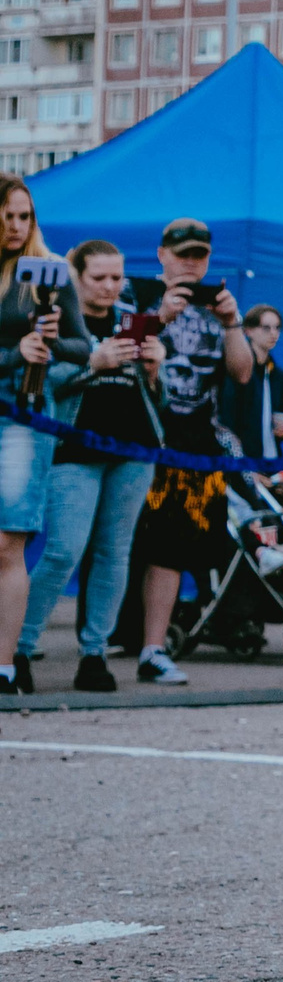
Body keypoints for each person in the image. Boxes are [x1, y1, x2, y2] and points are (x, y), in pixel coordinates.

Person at [18, 242, 160, 693]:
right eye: (99, 277)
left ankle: (94, 653)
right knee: (62, 551)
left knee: (114, 553)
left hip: (133, 446)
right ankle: (17, 648)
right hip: (73, 446)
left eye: (117, 277)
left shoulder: (131, 319)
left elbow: (161, 398)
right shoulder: (59, 320)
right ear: (76, 275)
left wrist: (155, 368)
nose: (109, 286)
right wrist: (92, 364)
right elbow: (40, 385)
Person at [126, 217, 254, 686]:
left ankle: (153, 648)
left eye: (199, 255)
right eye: (182, 254)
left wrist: (232, 323)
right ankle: (80, 645)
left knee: (171, 550)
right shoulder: (137, 292)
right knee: (106, 544)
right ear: (161, 254)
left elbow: (243, 373)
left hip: (193, 447)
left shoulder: (217, 305)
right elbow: (121, 345)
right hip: (135, 438)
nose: (190, 264)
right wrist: (159, 317)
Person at [0, 177, 77, 690]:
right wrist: (12, 354)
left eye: (24, 216)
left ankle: (5, 664)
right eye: (7, 215)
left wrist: (49, 345)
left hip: (23, 418)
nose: (17, 226)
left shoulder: (49, 272)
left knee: (8, 543)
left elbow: (81, 345)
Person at [218, 304, 283, 462]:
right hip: (244, 460)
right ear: (248, 330)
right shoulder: (237, 371)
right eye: (266, 328)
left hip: (272, 460)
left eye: (277, 328)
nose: (274, 334)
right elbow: (227, 420)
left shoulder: (279, 376)